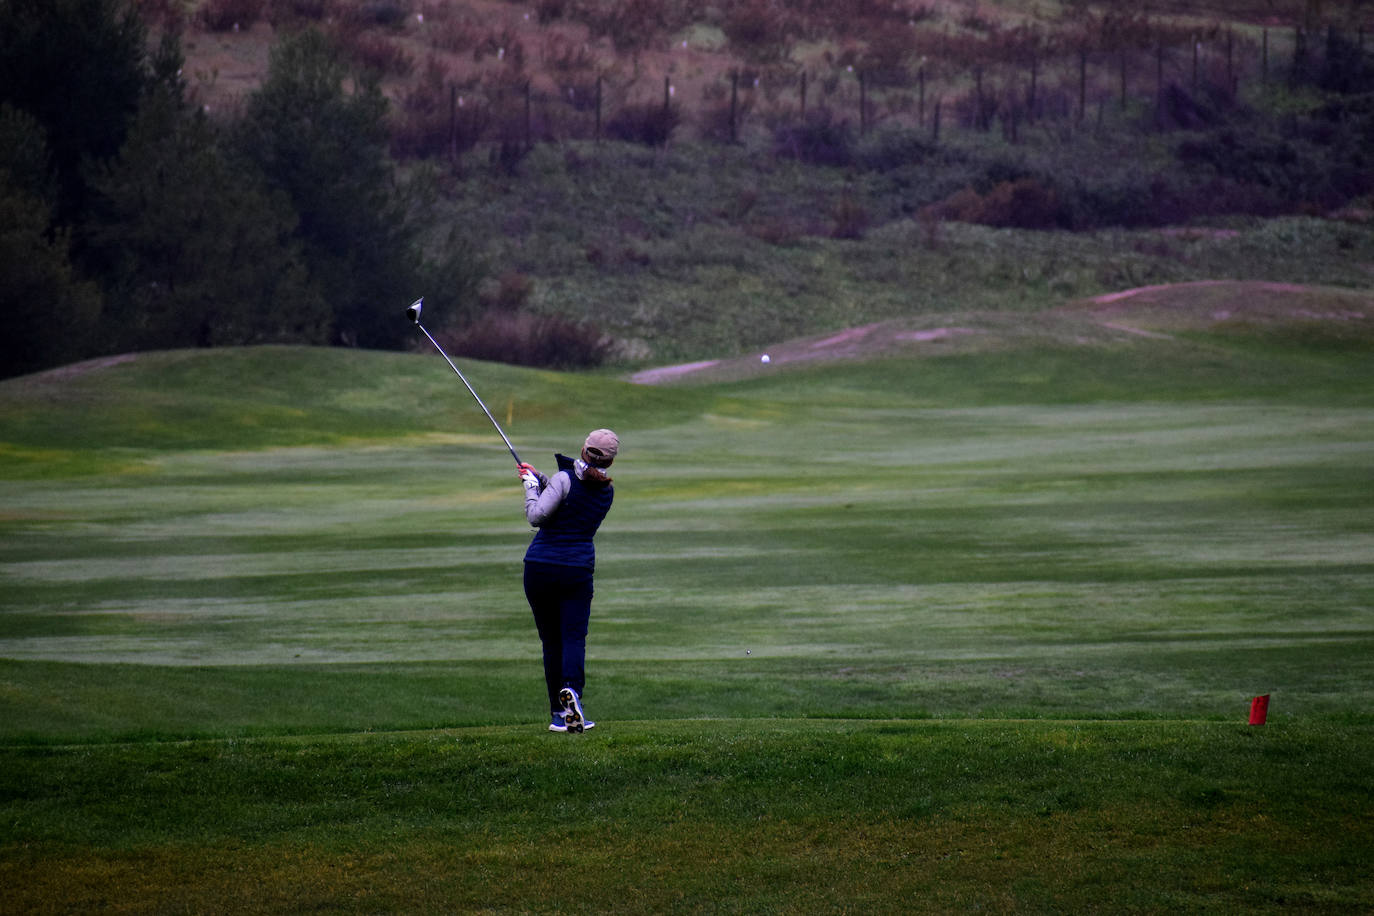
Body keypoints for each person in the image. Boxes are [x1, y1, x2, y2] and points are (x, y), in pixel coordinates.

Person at [517, 428, 618, 733]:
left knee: (551, 642)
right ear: (610, 462)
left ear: (584, 448)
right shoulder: (607, 490)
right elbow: (569, 497)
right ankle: (572, 694)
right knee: (573, 638)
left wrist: (531, 487)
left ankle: (558, 715)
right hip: (577, 571)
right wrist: (543, 479)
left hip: (540, 567)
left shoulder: (564, 480)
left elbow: (537, 516)